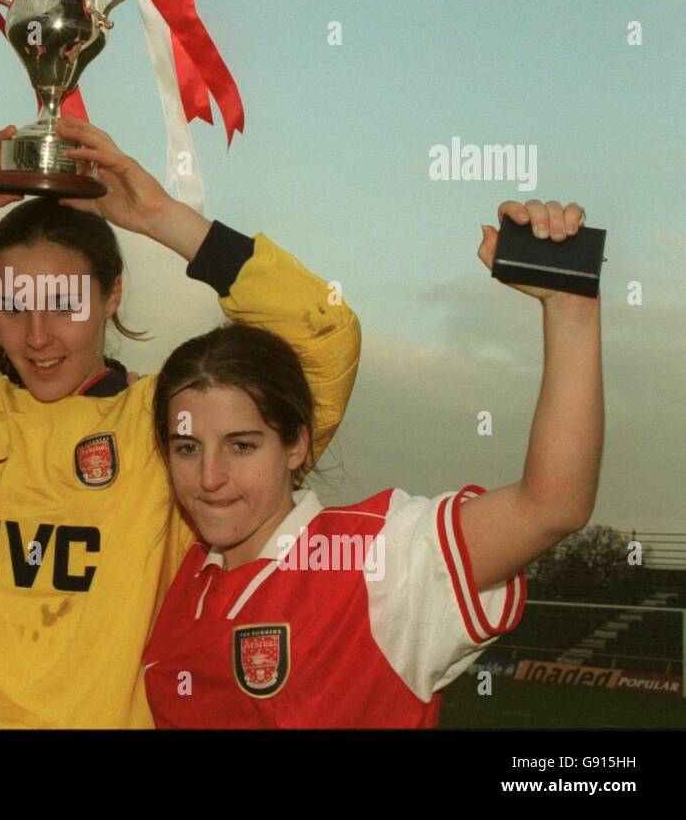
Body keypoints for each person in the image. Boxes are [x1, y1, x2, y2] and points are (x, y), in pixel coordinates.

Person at [0, 119, 362, 727]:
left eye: (63, 304)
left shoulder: (168, 419)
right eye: (14, 303)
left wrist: (160, 216)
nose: (36, 336)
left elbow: (323, 334)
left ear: (112, 296)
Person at [143, 199, 601, 727]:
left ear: (295, 445)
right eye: (187, 448)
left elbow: (552, 506)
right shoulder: (183, 580)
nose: (210, 477)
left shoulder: (370, 557)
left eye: (241, 445)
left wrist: (570, 309)